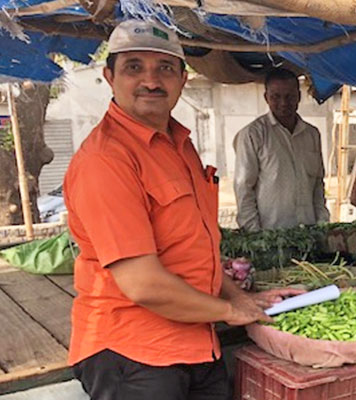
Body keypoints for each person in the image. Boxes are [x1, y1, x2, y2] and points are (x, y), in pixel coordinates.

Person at [63, 20, 301, 400]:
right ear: (109, 77)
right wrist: (227, 310)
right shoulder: (106, 160)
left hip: (195, 342)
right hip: (135, 353)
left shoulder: (180, 144)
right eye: (134, 67)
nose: (152, 81)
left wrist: (235, 298)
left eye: (165, 68)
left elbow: (195, 246)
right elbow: (143, 283)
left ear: (183, 80)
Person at [233, 69, 330, 231]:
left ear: (299, 97)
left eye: (289, 96)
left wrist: (322, 224)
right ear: (266, 98)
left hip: (309, 233)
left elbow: (318, 185)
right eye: (276, 97)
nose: (284, 103)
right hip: (270, 236)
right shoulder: (253, 134)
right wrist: (255, 235)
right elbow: (244, 188)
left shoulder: (312, 134)